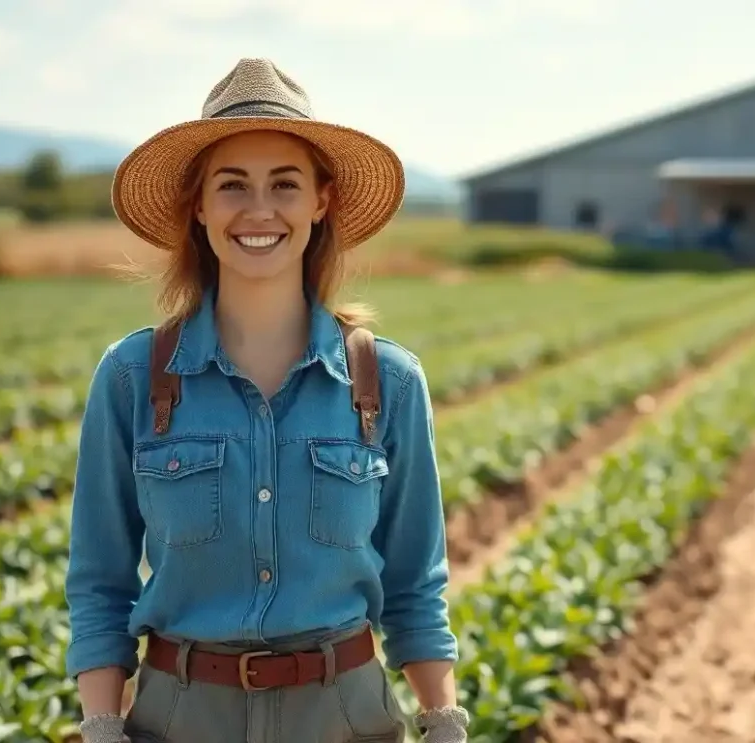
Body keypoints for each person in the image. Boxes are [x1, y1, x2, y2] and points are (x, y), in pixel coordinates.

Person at [64, 58, 469, 743]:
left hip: (344, 715)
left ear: (322, 201)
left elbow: (414, 582)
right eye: (232, 186)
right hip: (180, 716)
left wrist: (443, 718)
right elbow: (100, 579)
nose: (259, 210)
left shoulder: (387, 381)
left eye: (285, 184)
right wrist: (102, 724)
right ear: (198, 204)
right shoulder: (135, 375)